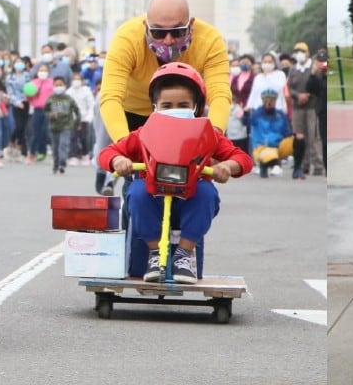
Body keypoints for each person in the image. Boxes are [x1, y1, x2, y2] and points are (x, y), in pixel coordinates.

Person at [99, 63, 252, 283]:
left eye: (182, 104)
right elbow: (109, 152)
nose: (174, 108)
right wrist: (118, 160)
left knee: (206, 192)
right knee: (137, 191)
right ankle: (154, 253)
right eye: (167, 105)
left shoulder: (207, 134)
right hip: (153, 199)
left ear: (195, 106)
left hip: (190, 201)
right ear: (154, 107)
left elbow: (243, 159)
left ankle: (184, 254)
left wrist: (227, 167)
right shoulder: (143, 133)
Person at [99, 0, 232, 143]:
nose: (168, 41)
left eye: (178, 31)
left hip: (181, 113)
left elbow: (220, 95)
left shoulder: (210, 40)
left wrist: (213, 137)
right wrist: (124, 143)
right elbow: (111, 97)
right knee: (115, 157)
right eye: (158, 33)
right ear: (145, 27)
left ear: (191, 25)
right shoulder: (126, 39)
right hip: (129, 112)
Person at [286, 42, 324, 179]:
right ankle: (303, 163)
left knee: (313, 136)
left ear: (307, 52)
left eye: (302, 51)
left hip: (311, 106)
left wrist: (307, 95)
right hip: (297, 107)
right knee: (299, 136)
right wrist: (297, 95)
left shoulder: (313, 67)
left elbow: (318, 85)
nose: (299, 53)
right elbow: (289, 87)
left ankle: (318, 164)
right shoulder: (293, 69)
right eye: (297, 51)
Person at [249, 88, 294, 178]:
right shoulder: (256, 114)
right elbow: (247, 122)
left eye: (272, 99)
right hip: (262, 147)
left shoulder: (280, 115)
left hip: (278, 146)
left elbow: (287, 133)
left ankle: (297, 169)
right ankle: (265, 166)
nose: (269, 102)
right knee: (270, 153)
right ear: (263, 100)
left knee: (298, 141)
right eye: (267, 99)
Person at [43, 76, 80, 174]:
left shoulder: (68, 99)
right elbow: (46, 110)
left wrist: (77, 123)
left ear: (64, 86)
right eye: (56, 85)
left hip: (66, 125)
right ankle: (56, 164)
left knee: (63, 144)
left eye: (60, 85)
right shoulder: (51, 99)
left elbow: (76, 110)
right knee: (55, 147)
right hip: (54, 126)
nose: (58, 87)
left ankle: (62, 162)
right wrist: (51, 115)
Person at [66, 71, 95, 165]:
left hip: (84, 118)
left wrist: (89, 118)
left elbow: (91, 105)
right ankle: (73, 156)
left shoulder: (86, 90)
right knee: (73, 137)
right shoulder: (69, 92)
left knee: (84, 138)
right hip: (72, 119)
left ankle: (85, 155)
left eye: (78, 79)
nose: (76, 81)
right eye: (74, 79)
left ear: (82, 80)